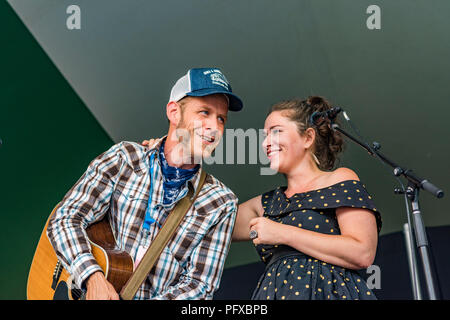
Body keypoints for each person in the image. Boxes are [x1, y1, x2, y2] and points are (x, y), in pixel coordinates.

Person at [46, 67, 244, 300]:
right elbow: (65, 218)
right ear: (174, 112)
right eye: (204, 112)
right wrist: (92, 277)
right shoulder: (124, 158)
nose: (215, 127)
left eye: (221, 118)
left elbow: (199, 287)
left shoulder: (221, 203)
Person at [233, 96, 382, 300]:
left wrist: (282, 233)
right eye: (264, 136)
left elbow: (362, 252)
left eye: (276, 131)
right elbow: (203, 223)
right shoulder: (264, 204)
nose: (266, 143)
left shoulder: (339, 179)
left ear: (308, 138)